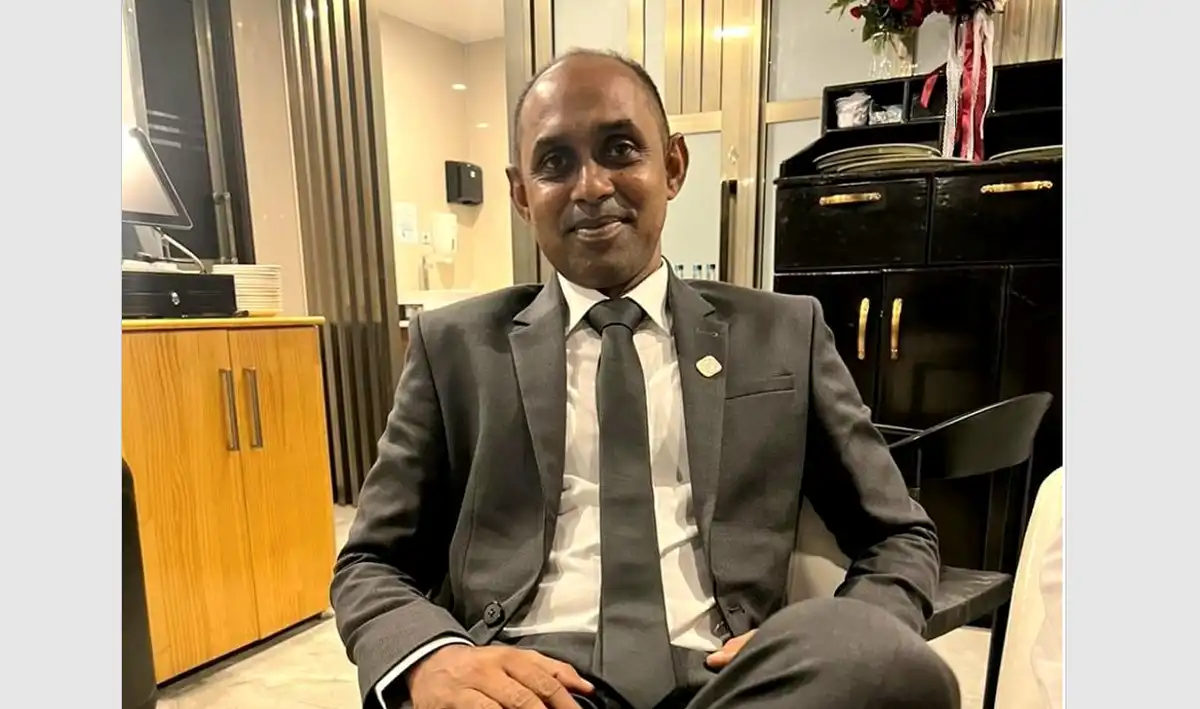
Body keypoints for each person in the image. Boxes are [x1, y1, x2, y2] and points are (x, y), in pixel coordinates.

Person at [332, 49, 960, 709]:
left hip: (732, 682)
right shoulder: (454, 347)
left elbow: (898, 535)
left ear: (674, 166)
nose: (590, 186)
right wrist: (435, 656)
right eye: (555, 163)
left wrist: (832, 639)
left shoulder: (783, 333)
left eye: (620, 149)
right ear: (521, 195)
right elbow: (371, 560)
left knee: (896, 671)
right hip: (529, 682)